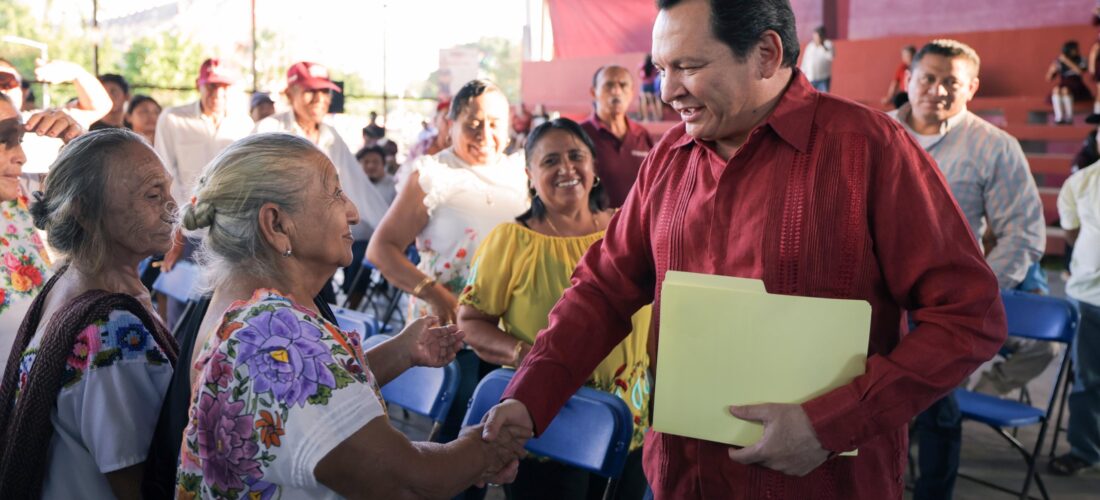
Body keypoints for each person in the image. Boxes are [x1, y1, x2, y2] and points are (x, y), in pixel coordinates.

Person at [478, 1, 1007, 499]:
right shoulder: (670, 159)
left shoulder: (869, 148)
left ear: (766, 54)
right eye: (661, 68)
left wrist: (831, 423)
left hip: (824, 483)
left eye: (687, 66)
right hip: (683, 478)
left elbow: (968, 317)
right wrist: (528, 397)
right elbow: (600, 291)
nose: (668, 91)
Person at [174, 132, 529, 498]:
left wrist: (403, 352)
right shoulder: (268, 333)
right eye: (334, 193)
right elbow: (406, 480)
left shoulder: (239, 308)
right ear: (276, 224)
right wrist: (485, 446)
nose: (353, 211)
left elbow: (303, 401)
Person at [458, 118, 651, 500]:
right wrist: (525, 355)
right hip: (547, 422)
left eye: (576, 156)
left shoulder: (626, 231)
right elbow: (469, 322)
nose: (566, 168)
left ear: (594, 168)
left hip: (631, 421)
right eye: (550, 161)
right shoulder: (510, 242)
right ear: (530, 175)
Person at [888, 39, 1047, 500]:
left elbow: (1023, 234)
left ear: (971, 88)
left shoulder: (994, 147)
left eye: (950, 83)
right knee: (862, 402)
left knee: (939, 409)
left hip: (940, 305)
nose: (937, 90)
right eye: (928, 78)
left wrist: (971, 297)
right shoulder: (876, 134)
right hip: (873, 296)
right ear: (908, 80)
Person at [0, 128, 180, 498]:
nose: (173, 208)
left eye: (168, 191)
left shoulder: (66, 284)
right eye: (153, 195)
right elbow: (140, 484)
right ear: (83, 209)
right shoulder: (111, 331)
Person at [368, 79, 527, 450]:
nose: (483, 132)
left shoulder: (522, 174)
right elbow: (381, 248)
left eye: (494, 122)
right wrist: (435, 294)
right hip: (453, 335)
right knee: (460, 439)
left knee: (502, 439)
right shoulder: (434, 174)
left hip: (510, 331)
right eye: (472, 122)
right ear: (450, 124)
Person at [254, 61, 391, 303]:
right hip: (274, 247)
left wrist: (389, 229)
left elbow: (358, 186)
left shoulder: (330, 136)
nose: (319, 98)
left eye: (324, 91)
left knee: (320, 313)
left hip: (314, 247)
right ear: (289, 94)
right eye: (309, 91)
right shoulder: (269, 130)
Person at [155, 58, 253, 275]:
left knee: (228, 301)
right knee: (182, 303)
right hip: (188, 232)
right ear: (198, 85)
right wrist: (177, 229)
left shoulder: (244, 124)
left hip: (231, 232)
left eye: (224, 87)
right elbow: (165, 176)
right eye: (211, 86)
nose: (217, 94)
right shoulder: (173, 119)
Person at [1049, 155, 1100, 477]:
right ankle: (1085, 450)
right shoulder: (1081, 182)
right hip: (1088, 299)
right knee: (1087, 380)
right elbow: (1072, 233)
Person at [0, 58, 111, 175]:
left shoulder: (47, 123)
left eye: (8, 83)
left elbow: (100, 105)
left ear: (24, 90)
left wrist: (76, 73)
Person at [581, 65, 655, 209]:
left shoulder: (641, 134)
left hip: (638, 226)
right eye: (609, 85)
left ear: (632, 92)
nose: (616, 91)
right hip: (598, 228)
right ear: (593, 92)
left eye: (623, 85)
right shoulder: (580, 134)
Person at [1048, 41, 1092, 125]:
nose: (1076, 51)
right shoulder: (1059, 62)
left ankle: (1069, 118)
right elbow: (1049, 78)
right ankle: (1059, 117)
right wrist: (1052, 70)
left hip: (1076, 85)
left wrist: (1066, 61)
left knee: (1065, 90)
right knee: (1056, 90)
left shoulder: (1081, 59)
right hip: (1063, 83)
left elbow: (1079, 71)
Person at [800, 25, 834, 92]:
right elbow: (805, 61)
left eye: (817, 36)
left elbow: (830, 57)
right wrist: (802, 74)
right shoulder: (810, 46)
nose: (815, 38)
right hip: (811, 78)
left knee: (824, 99)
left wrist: (822, 45)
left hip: (823, 79)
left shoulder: (828, 44)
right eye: (814, 36)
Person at [639, 54, 661, 121]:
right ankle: (656, 117)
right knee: (652, 101)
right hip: (652, 86)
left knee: (644, 101)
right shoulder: (654, 67)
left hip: (645, 86)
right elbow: (657, 75)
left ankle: (646, 118)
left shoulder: (643, 66)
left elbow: (640, 75)